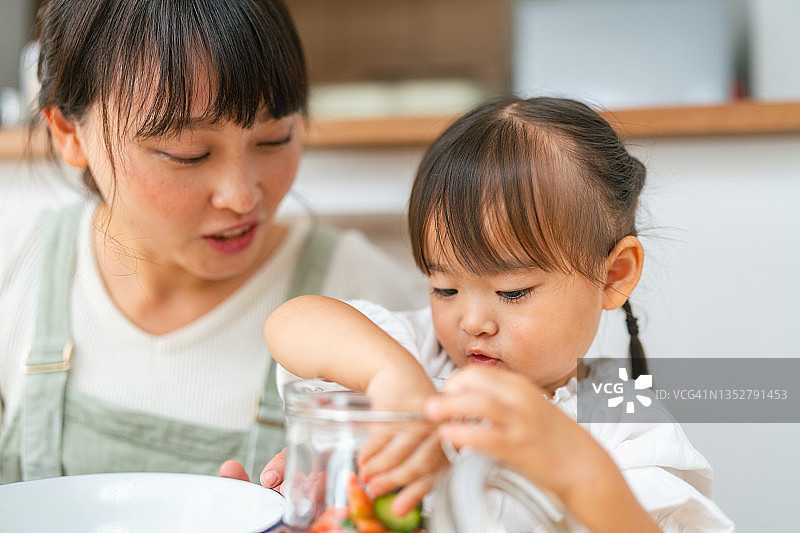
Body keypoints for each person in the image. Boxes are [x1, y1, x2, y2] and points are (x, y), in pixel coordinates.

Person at [0, 0, 427, 484]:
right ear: (68, 132)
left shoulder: (368, 300)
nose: (243, 198)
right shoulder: (15, 261)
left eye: (275, 139)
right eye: (188, 154)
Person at [261, 97, 735, 532]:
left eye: (511, 292)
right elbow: (292, 323)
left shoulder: (622, 424)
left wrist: (580, 471)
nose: (471, 322)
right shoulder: (419, 351)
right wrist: (393, 377)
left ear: (613, 275)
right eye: (445, 287)